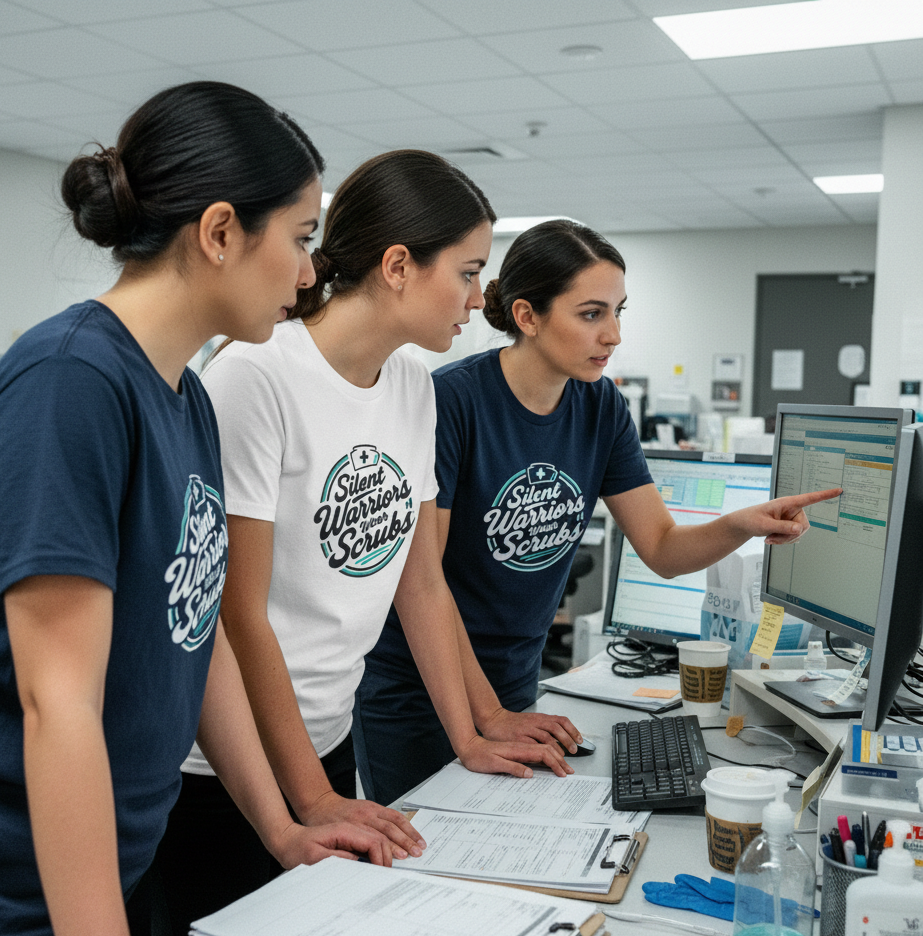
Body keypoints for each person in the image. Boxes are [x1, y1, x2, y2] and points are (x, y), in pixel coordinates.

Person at [0, 82, 389, 936]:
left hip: (89, 872)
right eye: (297, 237)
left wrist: (284, 829)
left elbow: (189, 632)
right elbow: (58, 701)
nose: (306, 274)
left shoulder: (185, 397)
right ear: (217, 232)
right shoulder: (70, 384)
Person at [157, 151, 580, 936]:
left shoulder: (413, 383)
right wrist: (309, 797)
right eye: (466, 272)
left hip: (327, 734)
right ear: (397, 267)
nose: (477, 298)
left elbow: (421, 583)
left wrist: (471, 734)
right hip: (223, 767)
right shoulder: (257, 374)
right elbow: (237, 615)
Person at [355, 219, 842, 806]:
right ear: (527, 316)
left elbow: (662, 548)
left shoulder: (599, 406)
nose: (612, 335)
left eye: (618, 312)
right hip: (420, 689)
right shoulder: (451, 402)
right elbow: (423, 581)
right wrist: (483, 715)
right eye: (591, 314)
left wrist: (742, 524)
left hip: (512, 682)